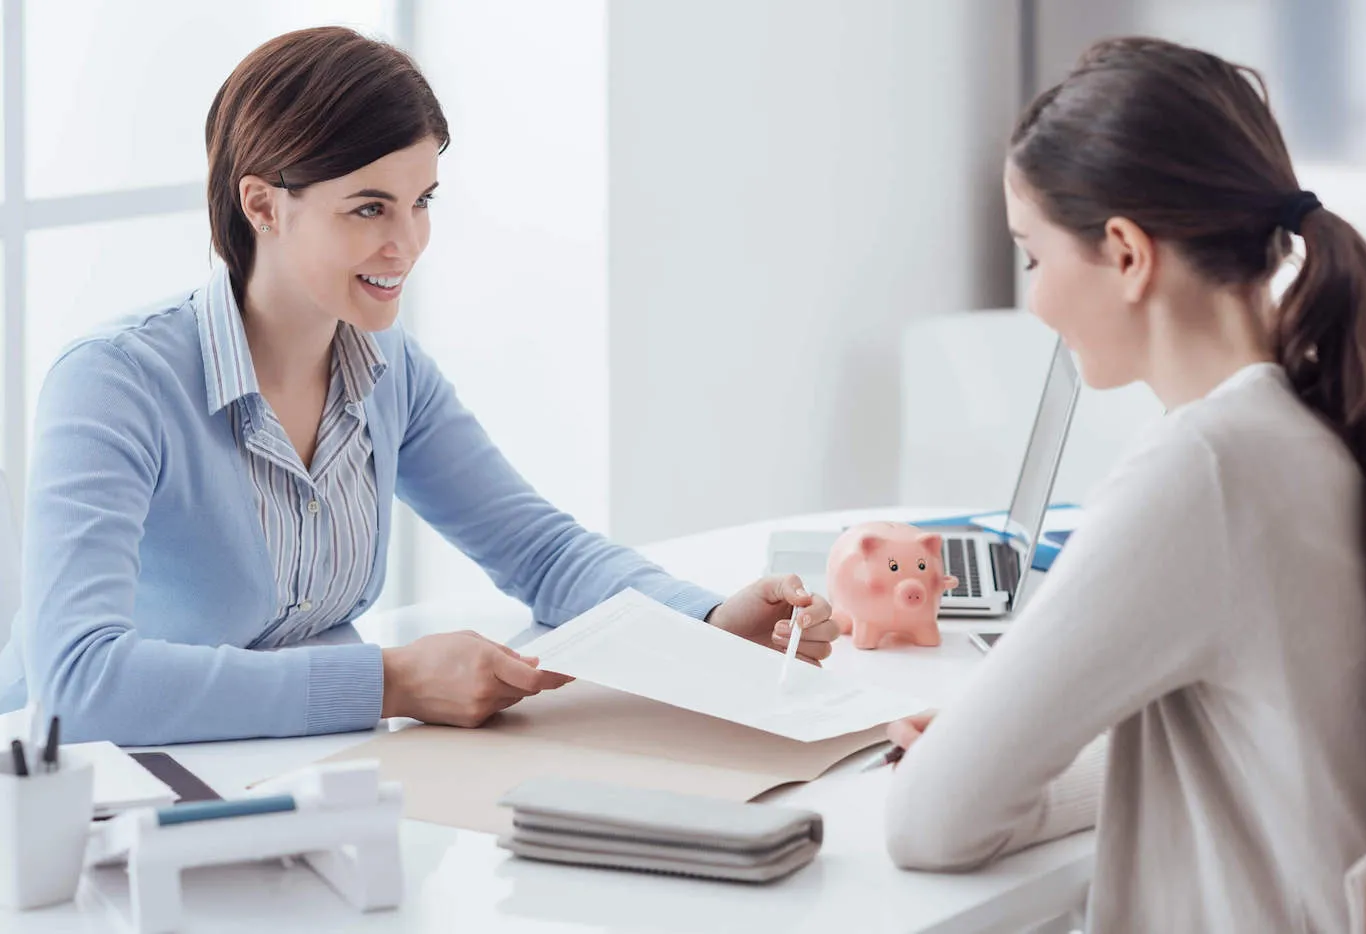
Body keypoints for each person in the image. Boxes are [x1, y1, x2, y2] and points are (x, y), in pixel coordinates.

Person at [0, 26, 837, 745]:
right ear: (262, 204)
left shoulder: (389, 373)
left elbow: (539, 551)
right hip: (91, 798)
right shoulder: (115, 383)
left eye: (422, 201)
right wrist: (390, 683)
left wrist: (708, 622)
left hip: (294, 778)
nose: (407, 244)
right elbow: (79, 678)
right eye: (369, 208)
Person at [882, 36, 1366, 932]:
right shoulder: (1328, 414)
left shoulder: (1204, 469)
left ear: (1126, 253)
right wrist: (1036, 760)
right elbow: (1278, 743)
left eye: (1034, 256)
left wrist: (986, 764)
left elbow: (932, 823)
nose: (1035, 299)